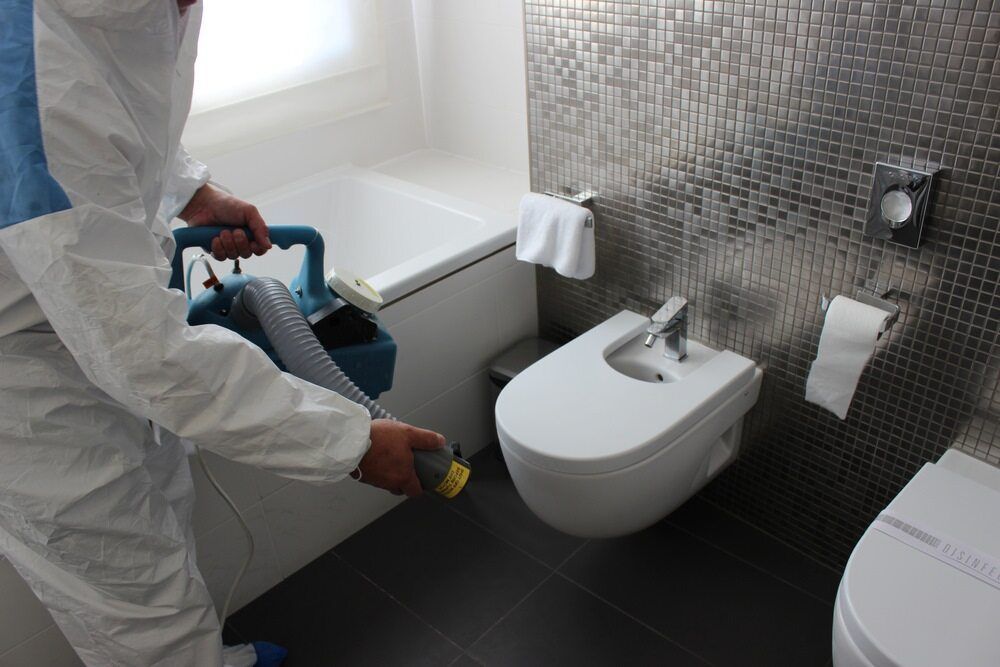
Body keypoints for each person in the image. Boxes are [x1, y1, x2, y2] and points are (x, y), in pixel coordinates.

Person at [0, 1, 443, 665]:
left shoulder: (146, 10)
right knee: (143, 607)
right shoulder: (32, 58)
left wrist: (190, 189)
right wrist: (350, 440)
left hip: (101, 308)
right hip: (29, 382)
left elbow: (125, 110)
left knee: (167, 515)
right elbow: (141, 350)